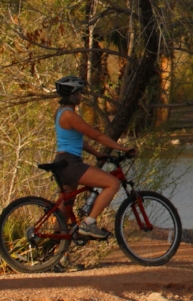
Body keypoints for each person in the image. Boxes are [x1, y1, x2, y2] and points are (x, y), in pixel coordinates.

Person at [48, 75, 135, 240]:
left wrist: (97, 154)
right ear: (72, 94)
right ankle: (89, 223)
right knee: (112, 183)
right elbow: (96, 135)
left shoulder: (60, 113)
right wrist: (122, 147)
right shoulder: (70, 115)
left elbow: (76, 140)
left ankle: (56, 253)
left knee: (64, 210)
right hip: (70, 164)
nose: (81, 96)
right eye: (79, 92)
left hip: (62, 163)